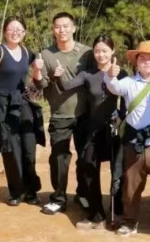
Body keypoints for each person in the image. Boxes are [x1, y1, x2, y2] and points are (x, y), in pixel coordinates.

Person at [54, 35, 126, 229]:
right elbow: (65, 86)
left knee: (117, 171)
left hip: (114, 128)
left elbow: (127, 100)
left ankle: (117, 212)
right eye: (97, 51)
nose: (101, 55)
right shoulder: (87, 74)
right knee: (88, 166)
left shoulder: (120, 72)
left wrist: (122, 120)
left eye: (105, 51)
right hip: (93, 129)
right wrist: (58, 76)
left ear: (112, 51)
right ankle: (96, 214)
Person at [105, 40, 150, 237]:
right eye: (142, 58)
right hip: (134, 144)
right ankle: (129, 222)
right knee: (131, 186)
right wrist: (110, 75)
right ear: (136, 62)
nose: (146, 62)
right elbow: (113, 87)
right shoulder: (128, 83)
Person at [0, 17, 45, 206]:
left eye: (19, 29)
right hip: (3, 106)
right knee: (11, 150)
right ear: (5, 31)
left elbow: (37, 77)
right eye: (11, 29)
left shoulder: (27, 52)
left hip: (23, 103)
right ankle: (16, 192)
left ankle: (31, 191)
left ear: (24, 33)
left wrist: (38, 70)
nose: (15, 32)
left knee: (29, 149)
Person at [33, 12, 93, 215]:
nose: (62, 30)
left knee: (86, 158)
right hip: (60, 115)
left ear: (74, 28)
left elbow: (96, 79)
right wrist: (38, 72)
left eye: (66, 26)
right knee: (59, 158)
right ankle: (58, 198)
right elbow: (40, 85)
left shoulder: (87, 53)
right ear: (53, 30)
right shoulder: (45, 55)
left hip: (85, 115)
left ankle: (83, 194)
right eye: (58, 27)